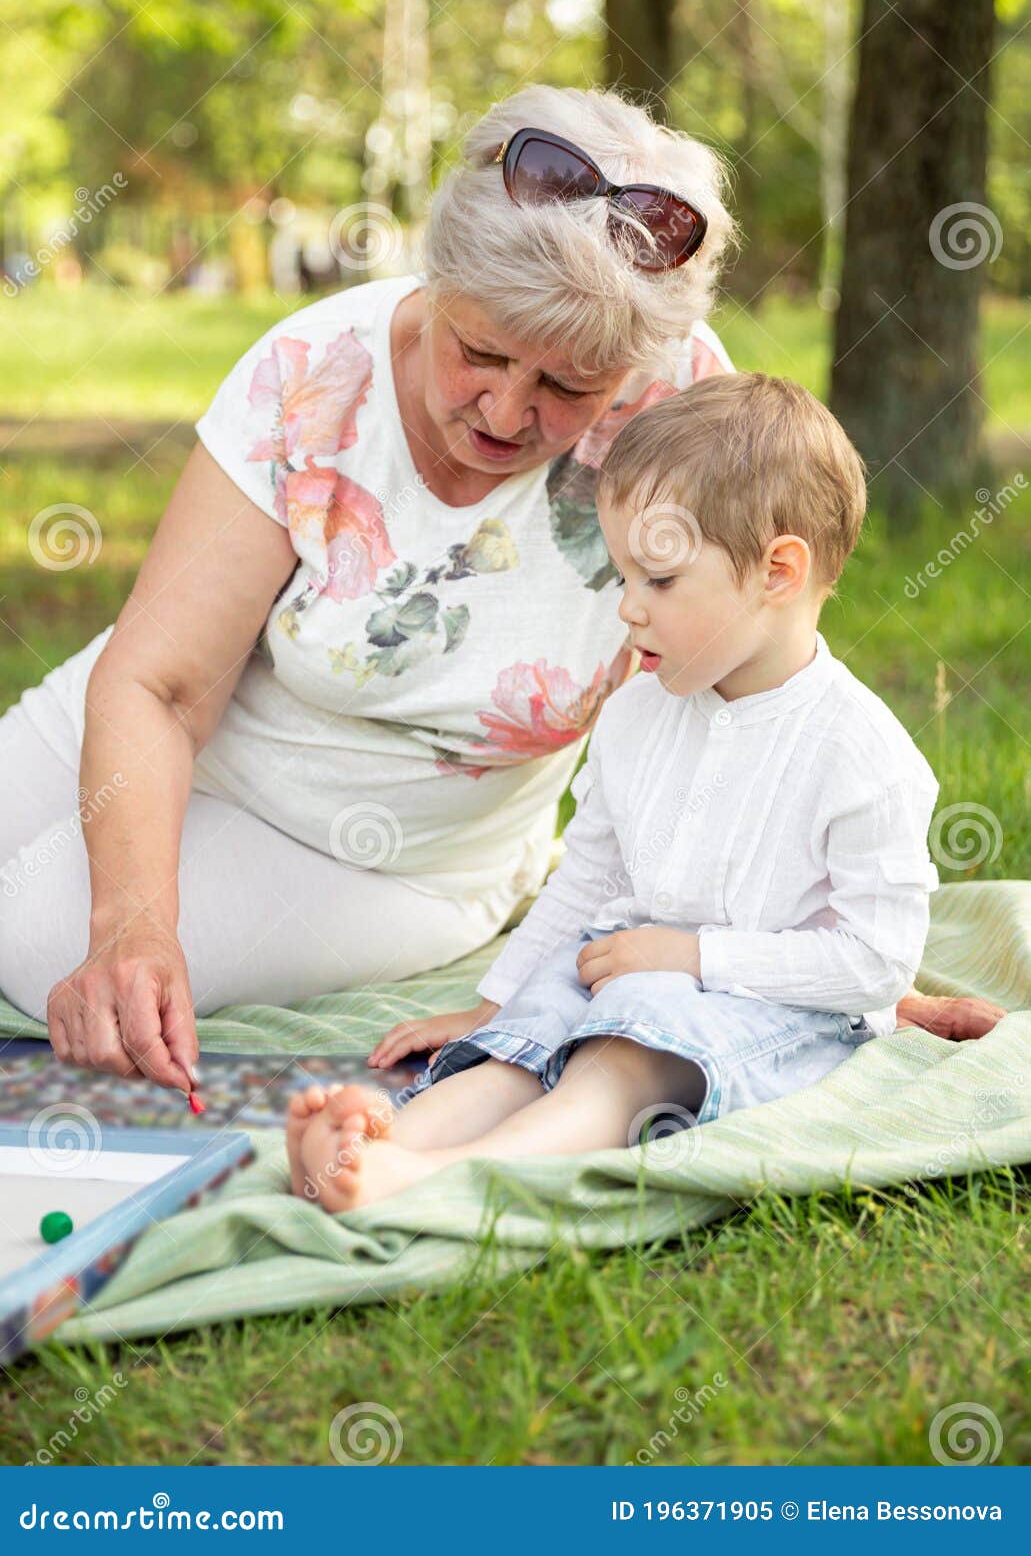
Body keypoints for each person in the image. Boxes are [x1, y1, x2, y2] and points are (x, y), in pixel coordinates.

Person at [0, 86, 997, 1090]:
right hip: (163, 727)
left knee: (38, 940)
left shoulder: (683, 403)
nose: (506, 409)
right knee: (95, 922)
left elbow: (752, 680)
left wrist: (833, 976)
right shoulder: (311, 373)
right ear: (435, 280)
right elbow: (160, 686)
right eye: (478, 352)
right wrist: (133, 917)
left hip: (379, 852)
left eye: (568, 387)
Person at [285, 372, 1000, 1213]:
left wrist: (696, 957)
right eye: (621, 577)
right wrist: (491, 1003)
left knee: (619, 1058)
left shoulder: (857, 752)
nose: (628, 610)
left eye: (658, 583)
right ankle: (380, 1143)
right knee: (534, 1031)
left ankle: (441, 1181)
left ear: (777, 571)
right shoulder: (637, 713)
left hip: (784, 1009)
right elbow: (585, 876)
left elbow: (876, 963)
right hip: (631, 969)